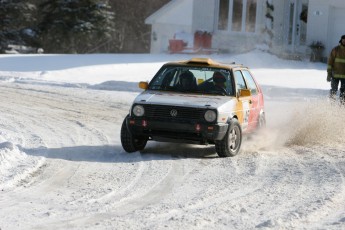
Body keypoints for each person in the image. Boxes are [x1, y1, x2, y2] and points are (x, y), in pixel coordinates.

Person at [327, 35, 345, 102]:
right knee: (333, 90)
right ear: (341, 40)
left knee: (344, 92)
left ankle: (342, 107)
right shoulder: (335, 50)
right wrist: (329, 73)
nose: (344, 41)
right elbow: (330, 62)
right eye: (343, 39)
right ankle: (332, 105)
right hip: (335, 75)